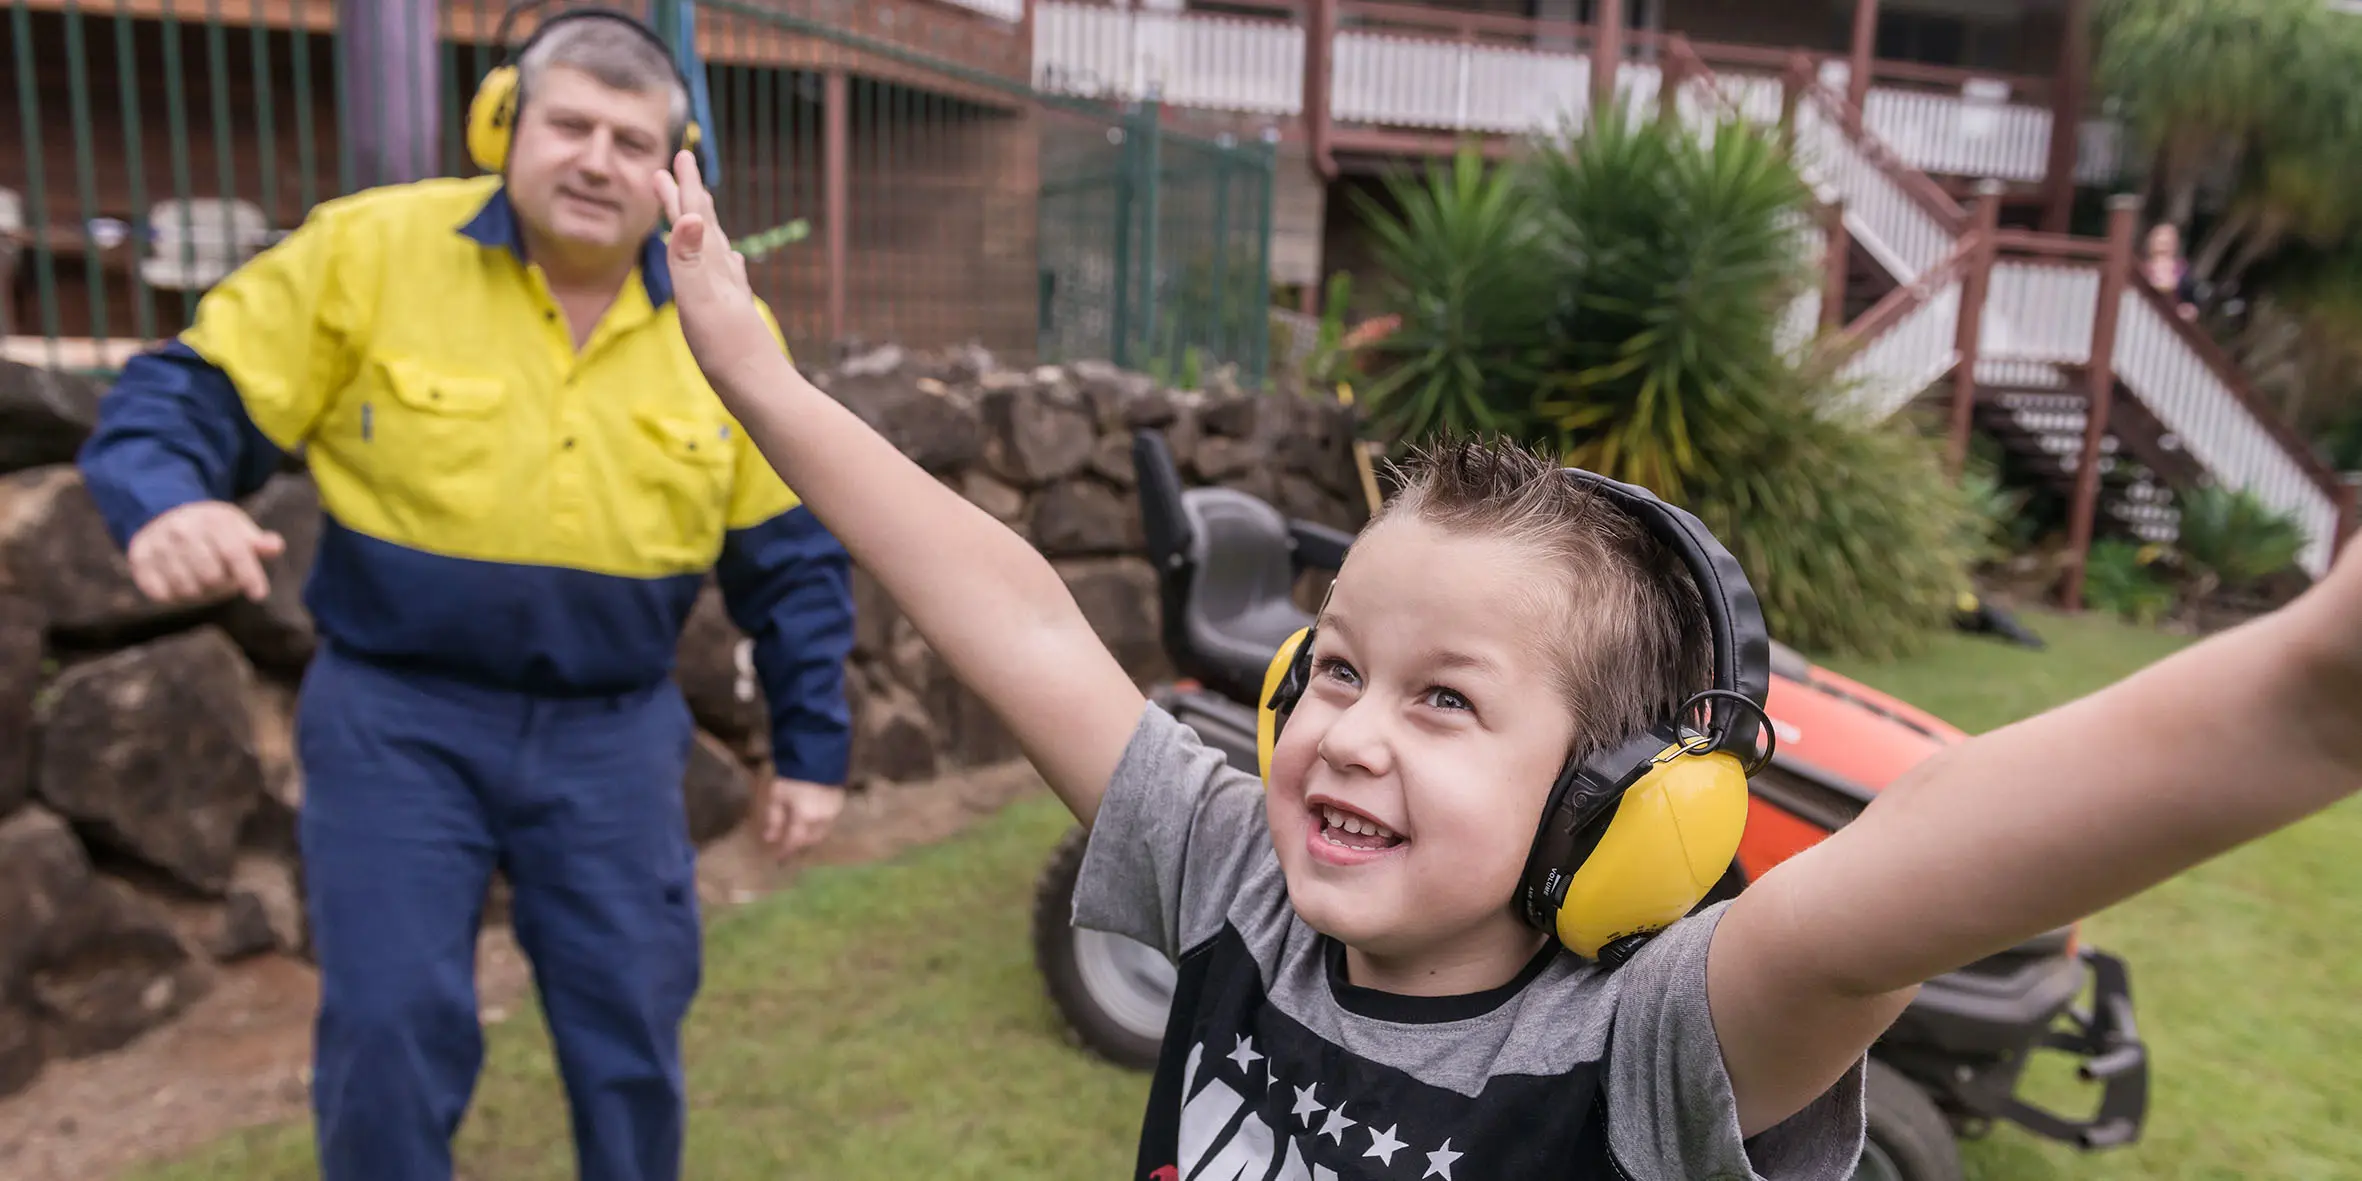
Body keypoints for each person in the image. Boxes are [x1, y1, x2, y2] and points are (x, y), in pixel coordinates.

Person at [655, 148, 2362, 1178]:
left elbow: (1915, 875)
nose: (1343, 733)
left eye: (1445, 700)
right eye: (1331, 672)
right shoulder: (1232, 878)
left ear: (1623, 807)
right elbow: (1023, 613)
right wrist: (763, 380)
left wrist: (2310, 697)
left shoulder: (1638, 1052)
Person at [75, 13, 854, 1181]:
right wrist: (167, 499)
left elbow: (789, 559)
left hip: (613, 736)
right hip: (396, 720)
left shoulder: (725, 327)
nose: (597, 159)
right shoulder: (366, 252)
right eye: (570, 123)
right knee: (389, 1028)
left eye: (632, 139)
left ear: (674, 168)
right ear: (505, 125)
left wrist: (811, 747)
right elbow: (183, 397)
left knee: (632, 1024)